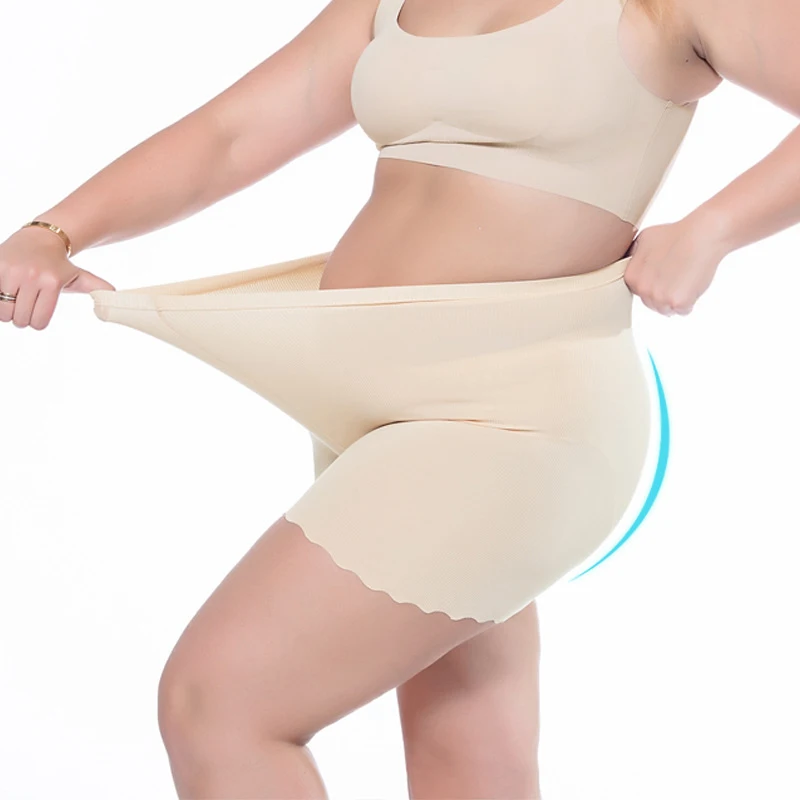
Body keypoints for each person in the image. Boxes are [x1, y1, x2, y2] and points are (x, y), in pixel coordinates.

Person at [2, 0, 798, 797]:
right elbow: (229, 135)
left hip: (508, 418)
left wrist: (714, 229)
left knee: (217, 704)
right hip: (367, 419)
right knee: (466, 760)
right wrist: (54, 230)